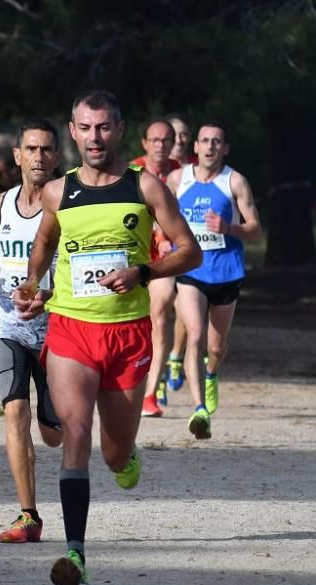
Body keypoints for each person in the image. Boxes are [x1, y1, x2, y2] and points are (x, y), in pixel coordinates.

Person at [14, 90, 201, 585]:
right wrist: (34, 285)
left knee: (115, 455)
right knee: (75, 432)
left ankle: (127, 457)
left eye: (103, 128)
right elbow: (46, 241)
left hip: (127, 334)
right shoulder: (58, 191)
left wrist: (143, 270)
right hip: (72, 328)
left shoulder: (146, 187)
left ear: (119, 130)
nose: (94, 138)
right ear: (71, 133)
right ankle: (75, 554)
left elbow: (190, 252)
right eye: (84, 128)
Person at [0, 119, 64, 544]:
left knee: (54, 434)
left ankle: (58, 415)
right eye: (32, 149)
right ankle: (29, 516)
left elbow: (83, 272)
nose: (39, 157)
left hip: (60, 329)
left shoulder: (68, 205)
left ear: (57, 157)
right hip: (9, 324)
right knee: (14, 411)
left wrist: (49, 294)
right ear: (17, 156)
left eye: (46, 150)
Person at [166, 122, 263, 440]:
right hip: (190, 271)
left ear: (225, 148)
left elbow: (256, 230)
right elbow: (160, 218)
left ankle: (211, 373)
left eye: (216, 142)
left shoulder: (234, 181)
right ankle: (199, 409)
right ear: (195, 146)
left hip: (226, 272)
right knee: (194, 333)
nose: (209, 146)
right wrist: (166, 241)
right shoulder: (179, 179)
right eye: (204, 141)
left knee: (216, 345)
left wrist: (229, 228)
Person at [130, 119, 181, 418]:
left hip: (164, 258)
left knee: (160, 315)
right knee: (137, 321)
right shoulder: (131, 172)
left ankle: (150, 394)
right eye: (156, 139)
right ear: (145, 143)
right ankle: (132, 382)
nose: (161, 144)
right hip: (134, 255)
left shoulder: (181, 172)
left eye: (167, 139)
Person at [163, 115, 198, 392]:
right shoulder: (144, 166)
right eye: (174, 133)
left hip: (187, 249)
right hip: (157, 250)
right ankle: (157, 363)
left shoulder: (197, 170)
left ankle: (175, 355)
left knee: (184, 311)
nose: (179, 139)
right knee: (160, 308)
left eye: (185, 134)